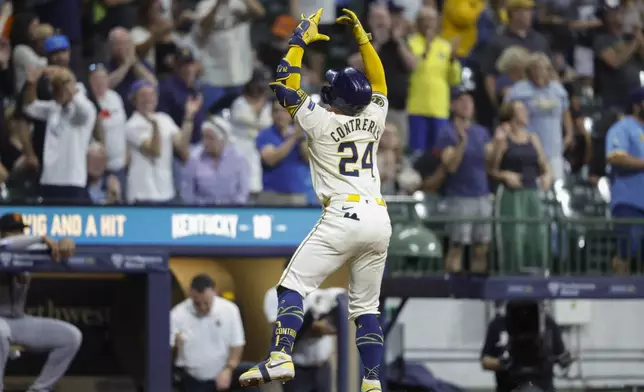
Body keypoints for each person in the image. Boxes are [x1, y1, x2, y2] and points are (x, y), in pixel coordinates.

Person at [239, 9, 391, 392]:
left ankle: (280, 356)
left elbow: (283, 84)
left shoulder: (321, 120)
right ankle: (372, 381)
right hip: (379, 218)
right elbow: (381, 81)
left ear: (333, 96)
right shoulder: (375, 116)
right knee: (366, 308)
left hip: (343, 213)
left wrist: (299, 38)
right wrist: (364, 39)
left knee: (292, 287)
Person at [0, 212, 82, 392]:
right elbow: (8, 244)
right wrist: (41, 237)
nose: (18, 234)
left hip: (18, 321)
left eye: (20, 230)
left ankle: (40, 389)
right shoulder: (5, 246)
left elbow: (63, 247)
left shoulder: (31, 249)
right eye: (11, 231)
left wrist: (66, 241)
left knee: (71, 336)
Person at [490, 101, 552, 273]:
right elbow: (492, 169)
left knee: (536, 236)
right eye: (521, 110)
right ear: (511, 114)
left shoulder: (533, 138)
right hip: (510, 193)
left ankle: (538, 277)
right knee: (512, 237)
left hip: (531, 191)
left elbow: (544, 164)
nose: (526, 112)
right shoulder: (503, 139)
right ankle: (510, 278)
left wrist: (547, 175)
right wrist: (505, 175)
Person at [436, 88, 493, 273]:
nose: (468, 105)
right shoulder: (447, 132)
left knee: (481, 247)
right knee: (456, 246)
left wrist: (498, 146)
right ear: (453, 106)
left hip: (482, 196)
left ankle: (476, 289)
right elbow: (451, 166)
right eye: (462, 102)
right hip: (459, 197)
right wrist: (461, 142)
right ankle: (451, 290)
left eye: (470, 102)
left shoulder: (482, 132)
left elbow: (491, 162)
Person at [23, 66, 98, 202]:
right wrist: (31, 82)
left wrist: (68, 83)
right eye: (54, 88)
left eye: (59, 88)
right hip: (49, 179)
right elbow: (29, 107)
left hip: (72, 181)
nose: (55, 92)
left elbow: (83, 110)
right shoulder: (54, 108)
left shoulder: (86, 108)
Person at [171, 274, 251, 392]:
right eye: (197, 303)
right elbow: (165, 348)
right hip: (192, 377)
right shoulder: (177, 314)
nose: (203, 307)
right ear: (190, 294)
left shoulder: (230, 310)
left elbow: (237, 344)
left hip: (224, 371)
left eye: (207, 303)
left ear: (215, 292)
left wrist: (228, 370)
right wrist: (176, 343)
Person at [125, 81, 200, 204]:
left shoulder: (165, 119)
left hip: (166, 192)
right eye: (143, 95)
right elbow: (154, 151)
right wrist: (155, 126)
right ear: (135, 100)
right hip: (142, 194)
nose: (148, 99)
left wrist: (189, 116)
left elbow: (182, 147)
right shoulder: (132, 125)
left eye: (151, 95)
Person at [504, 52, 573, 182]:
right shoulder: (519, 91)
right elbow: (506, 115)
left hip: (554, 149)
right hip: (529, 149)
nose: (538, 73)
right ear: (528, 71)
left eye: (541, 69)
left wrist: (569, 135)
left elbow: (566, 113)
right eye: (534, 69)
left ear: (548, 70)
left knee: (556, 187)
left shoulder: (558, 90)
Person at [481, 300, 571, 392]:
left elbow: (561, 356)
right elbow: (485, 360)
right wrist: (502, 363)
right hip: (509, 386)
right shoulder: (498, 324)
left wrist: (564, 359)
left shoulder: (549, 324)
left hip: (542, 386)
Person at [406, 6, 461, 154]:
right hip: (417, 106)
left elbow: (454, 79)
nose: (428, 23)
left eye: (432, 20)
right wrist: (427, 47)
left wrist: (453, 60)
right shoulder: (411, 42)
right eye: (424, 19)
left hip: (439, 109)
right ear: (418, 22)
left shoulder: (445, 46)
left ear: (437, 22)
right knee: (417, 153)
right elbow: (413, 66)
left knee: (438, 153)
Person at [605, 87, 644, 274]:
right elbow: (616, 157)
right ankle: (619, 294)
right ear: (638, 105)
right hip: (629, 201)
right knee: (627, 251)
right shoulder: (623, 128)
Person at [256, 100, 313, 206]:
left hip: (298, 194)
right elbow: (270, 159)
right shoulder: (265, 135)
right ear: (271, 114)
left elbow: (309, 160)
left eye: (284, 111)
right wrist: (294, 138)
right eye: (276, 111)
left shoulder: (303, 135)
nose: (280, 115)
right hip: (271, 195)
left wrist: (301, 138)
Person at [181, 120, 250, 205]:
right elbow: (187, 194)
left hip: (231, 211)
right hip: (201, 212)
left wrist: (235, 210)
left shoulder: (238, 159)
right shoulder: (194, 159)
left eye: (210, 138)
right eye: (204, 137)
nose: (205, 142)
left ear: (222, 140)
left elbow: (243, 192)